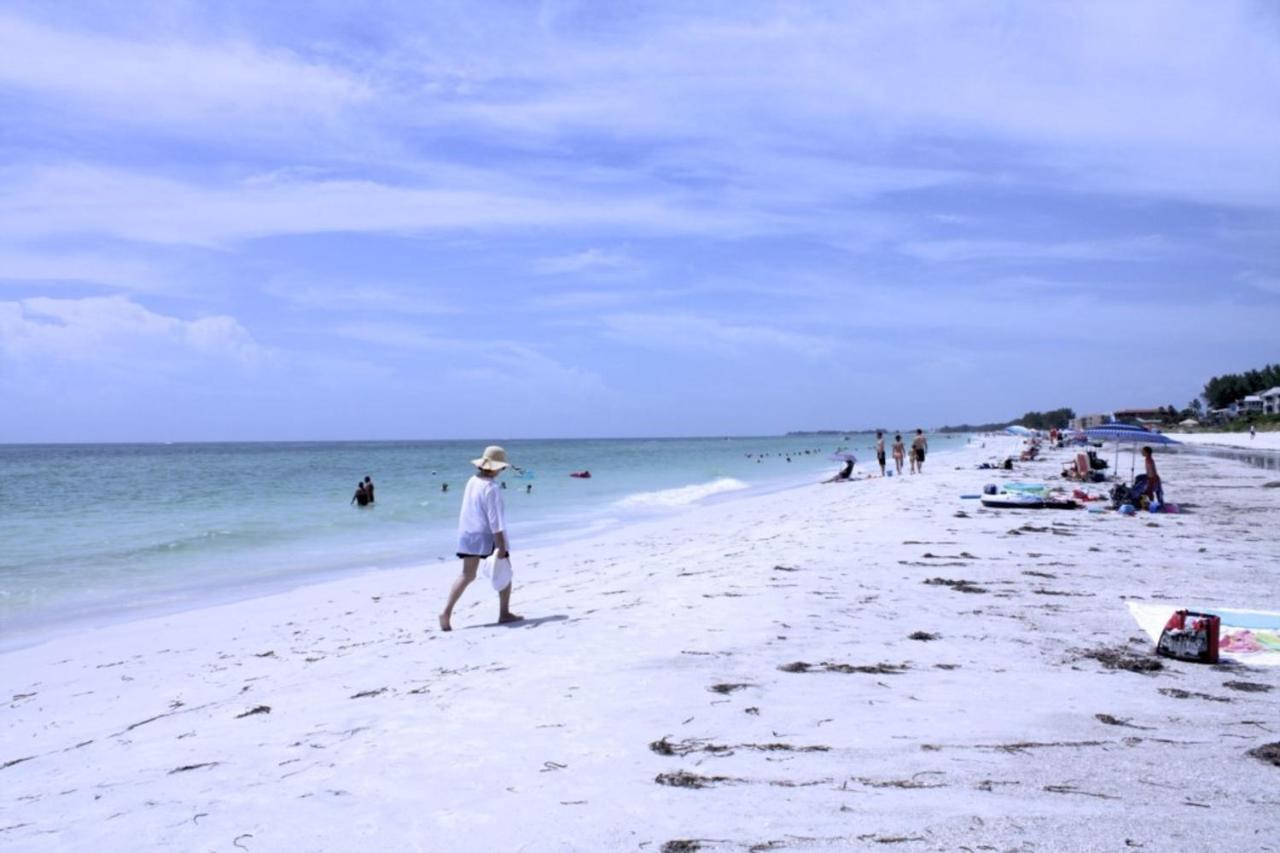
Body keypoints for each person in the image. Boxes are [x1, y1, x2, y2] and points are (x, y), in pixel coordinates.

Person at [439, 446, 520, 632]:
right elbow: (495, 519)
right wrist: (501, 546)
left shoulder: (472, 480)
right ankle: (504, 613)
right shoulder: (492, 488)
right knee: (505, 570)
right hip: (486, 535)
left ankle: (446, 612)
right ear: (497, 467)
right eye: (502, 467)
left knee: (467, 575)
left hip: (467, 533)